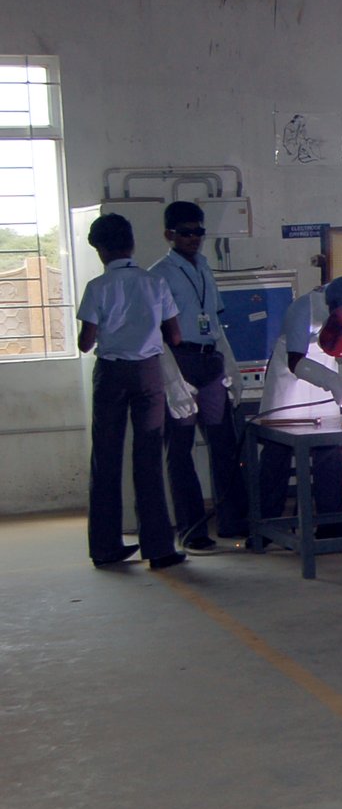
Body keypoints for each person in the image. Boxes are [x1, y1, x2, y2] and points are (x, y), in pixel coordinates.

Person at [76, 213, 192, 570]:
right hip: (148, 374)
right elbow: (175, 336)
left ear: (101, 249)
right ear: (131, 244)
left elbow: (85, 343)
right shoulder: (155, 283)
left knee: (106, 458)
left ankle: (105, 547)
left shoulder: (97, 286)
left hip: (111, 374)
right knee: (149, 459)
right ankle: (158, 548)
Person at [150, 201, 249, 551]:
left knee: (224, 443)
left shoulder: (205, 268)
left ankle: (234, 521)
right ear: (169, 234)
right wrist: (172, 381)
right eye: (185, 233)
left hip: (210, 362)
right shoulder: (159, 274)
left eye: (198, 232)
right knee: (181, 450)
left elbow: (215, 324)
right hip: (180, 361)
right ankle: (192, 530)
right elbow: (157, 335)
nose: (193, 238)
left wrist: (232, 367)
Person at [256, 275, 342, 538]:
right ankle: (265, 526)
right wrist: (334, 383)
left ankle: (331, 524)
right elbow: (295, 361)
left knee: (328, 452)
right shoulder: (303, 308)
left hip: (324, 382)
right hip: (289, 384)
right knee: (277, 453)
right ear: (331, 307)